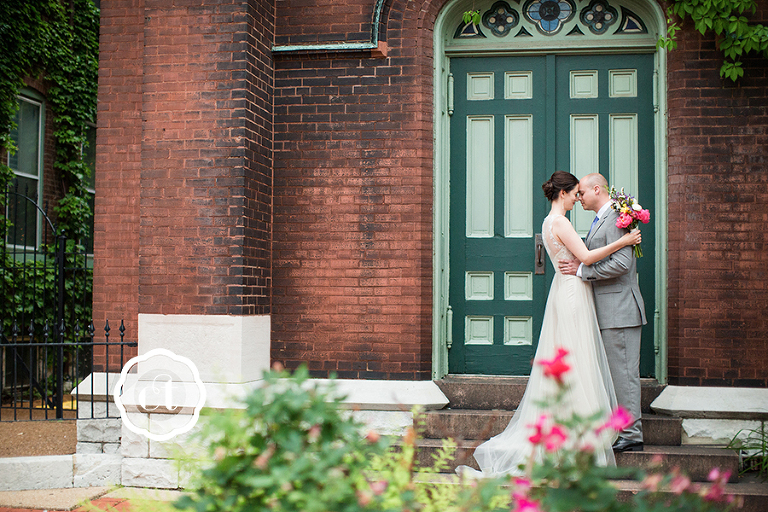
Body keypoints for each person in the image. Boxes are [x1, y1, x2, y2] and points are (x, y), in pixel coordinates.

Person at [457, 171, 641, 478]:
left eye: (581, 193)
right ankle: (578, 429)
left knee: (571, 362)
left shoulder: (548, 222)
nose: (577, 198)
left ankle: (576, 424)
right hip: (572, 292)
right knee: (575, 362)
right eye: (575, 194)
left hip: (566, 290)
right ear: (564, 193)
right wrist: (624, 240)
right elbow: (585, 255)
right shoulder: (560, 222)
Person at [558, 172, 647, 453]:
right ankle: (622, 428)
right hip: (610, 309)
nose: (579, 197)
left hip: (620, 309)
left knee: (624, 374)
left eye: (582, 192)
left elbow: (621, 263)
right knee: (617, 372)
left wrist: (583, 271)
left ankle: (632, 434)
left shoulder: (617, 219)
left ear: (597, 189)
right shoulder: (604, 218)